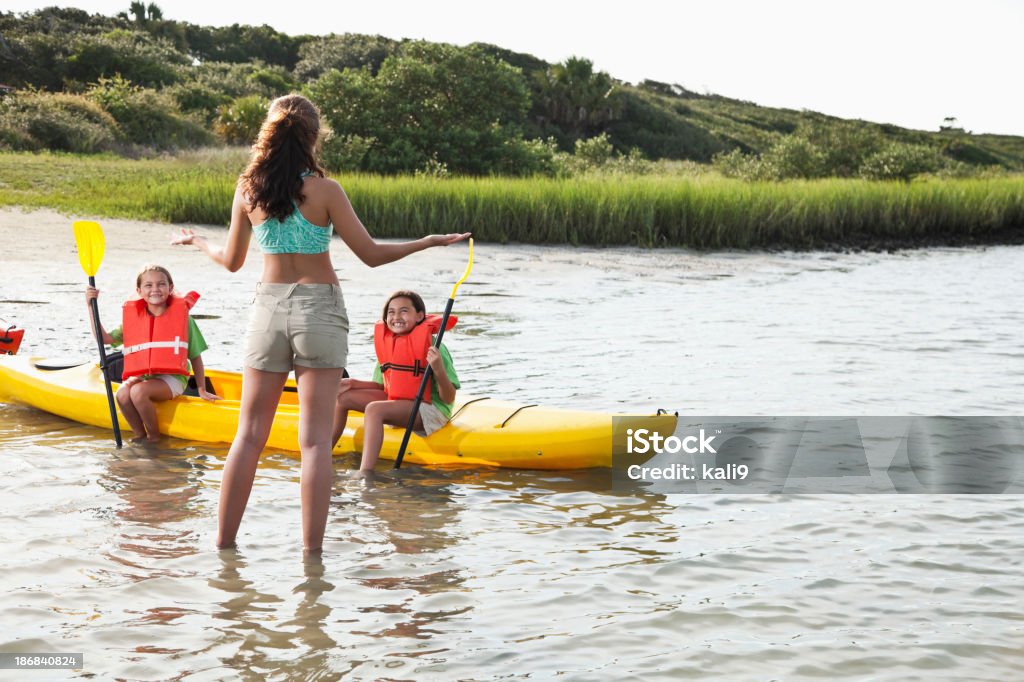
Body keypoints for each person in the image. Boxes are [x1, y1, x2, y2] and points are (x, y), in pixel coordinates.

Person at [171, 93, 469, 553]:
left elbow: (231, 262)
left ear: (268, 132)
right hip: (320, 311)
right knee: (313, 444)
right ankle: (312, 561)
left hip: (267, 310)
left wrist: (199, 244)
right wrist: (426, 241)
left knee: (249, 435)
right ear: (314, 135)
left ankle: (224, 550)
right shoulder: (326, 191)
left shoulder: (248, 189)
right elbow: (370, 256)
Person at [86, 264, 219, 443]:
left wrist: (202, 389)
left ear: (170, 288)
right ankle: (139, 436)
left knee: (139, 392)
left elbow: (195, 356)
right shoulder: (135, 320)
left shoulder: (183, 319)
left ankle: (154, 438)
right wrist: (90, 307)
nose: (155, 289)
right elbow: (105, 339)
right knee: (122, 394)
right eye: (148, 285)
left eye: (161, 284)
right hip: (145, 376)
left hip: (173, 378)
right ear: (139, 291)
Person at [331, 290, 460, 472]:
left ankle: (365, 473)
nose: (396, 317)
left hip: (430, 410)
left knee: (374, 409)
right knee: (342, 398)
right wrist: (352, 383)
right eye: (391, 312)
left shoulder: (434, 346)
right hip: (400, 402)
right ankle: (322, 455)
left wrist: (438, 368)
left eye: (404, 311)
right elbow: (383, 386)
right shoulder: (390, 343)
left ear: (420, 316)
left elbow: (448, 398)